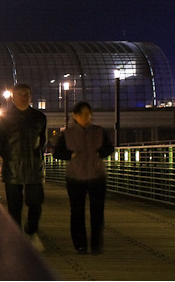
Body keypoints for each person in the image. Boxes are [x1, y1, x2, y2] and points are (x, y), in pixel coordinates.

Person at [0, 83, 48, 251]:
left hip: (34, 166)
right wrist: (8, 157)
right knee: (14, 205)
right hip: (13, 166)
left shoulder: (39, 117)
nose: (25, 97)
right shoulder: (4, 119)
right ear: (13, 97)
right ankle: (16, 237)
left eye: (27, 94)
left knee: (36, 203)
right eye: (21, 94)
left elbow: (42, 141)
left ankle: (31, 231)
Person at [53, 101, 114, 255]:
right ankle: (80, 245)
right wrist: (71, 155)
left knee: (97, 212)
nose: (85, 117)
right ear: (75, 116)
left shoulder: (99, 131)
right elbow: (57, 153)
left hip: (97, 175)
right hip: (75, 176)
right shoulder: (67, 133)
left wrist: (100, 153)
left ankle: (96, 244)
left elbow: (109, 148)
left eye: (88, 114)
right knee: (77, 212)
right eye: (82, 114)